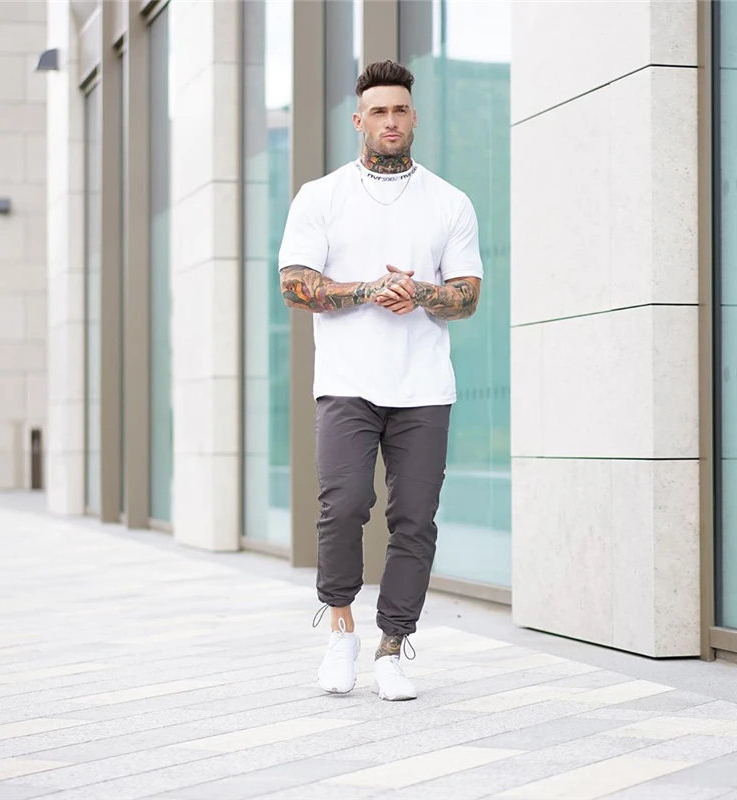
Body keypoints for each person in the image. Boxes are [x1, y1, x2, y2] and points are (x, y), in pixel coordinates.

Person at [277, 60, 483, 701]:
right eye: (378, 112)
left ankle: (392, 647)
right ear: (358, 120)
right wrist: (370, 289)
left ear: (413, 117)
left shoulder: (449, 202)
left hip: (425, 388)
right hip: (347, 383)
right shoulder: (321, 196)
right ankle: (340, 631)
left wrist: (419, 292)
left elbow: (468, 295)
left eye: (400, 110)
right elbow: (295, 285)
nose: (390, 121)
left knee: (415, 520)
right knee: (342, 507)